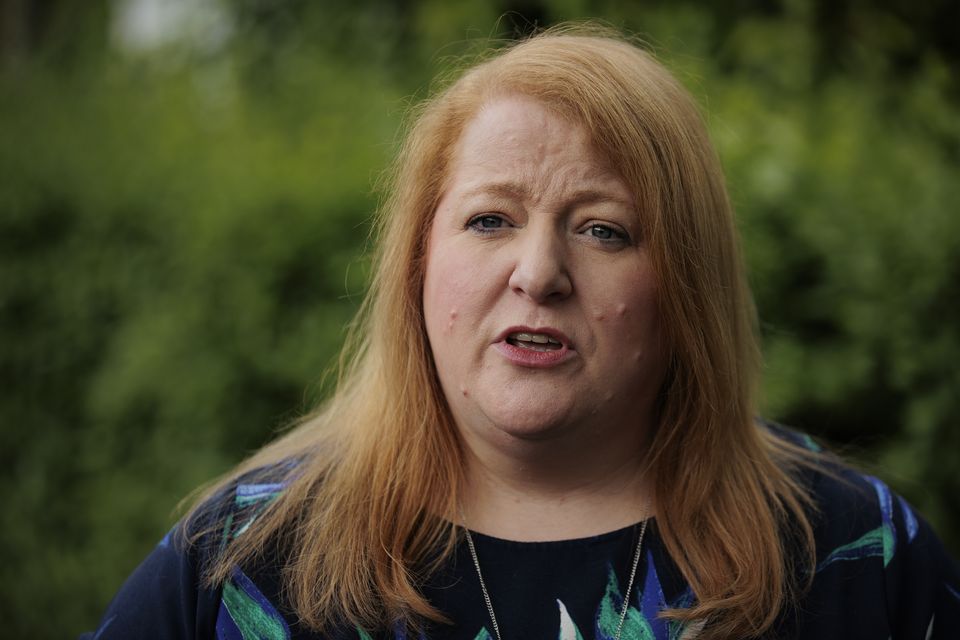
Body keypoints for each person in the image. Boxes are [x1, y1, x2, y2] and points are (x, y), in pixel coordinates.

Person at [81, 24, 959, 640]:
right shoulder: (243, 561)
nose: (538, 272)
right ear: (419, 261)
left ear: (686, 285)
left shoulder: (852, 552)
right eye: (490, 220)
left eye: (603, 229)